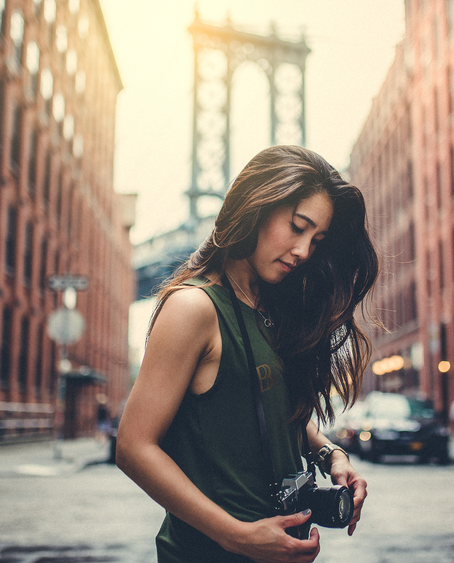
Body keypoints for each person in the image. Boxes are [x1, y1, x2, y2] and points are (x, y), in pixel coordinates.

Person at [116, 145, 378, 563]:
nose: (305, 251)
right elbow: (134, 447)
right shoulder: (194, 308)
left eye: (317, 239)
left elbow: (275, 411)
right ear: (257, 206)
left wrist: (332, 455)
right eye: (297, 226)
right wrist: (237, 535)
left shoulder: (270, 310)